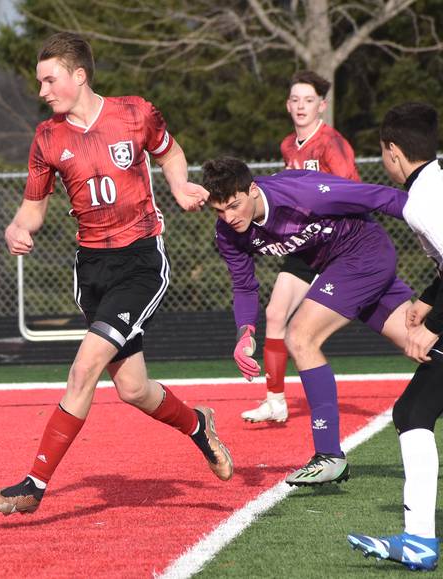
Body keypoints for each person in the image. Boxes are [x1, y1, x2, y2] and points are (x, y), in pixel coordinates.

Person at [0, 32, 233, 516]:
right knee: (134, 389)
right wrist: (17, 227)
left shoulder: (135, 113)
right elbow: (33, 208)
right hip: (91, 268)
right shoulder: (47, 138)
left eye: (49, 80)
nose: (43, 91)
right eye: (40, 82)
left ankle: (33, 485)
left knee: (83, 369)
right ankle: (199, 425)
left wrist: (179, 186)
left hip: (140, 260)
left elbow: (170, 152)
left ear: (78, 76)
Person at [202, 157, 413, 486]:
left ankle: (329, 456)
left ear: (253, 191)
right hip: (336, 267)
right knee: (419, 341)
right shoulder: (228, 233)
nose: (228, 217)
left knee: (300, 336)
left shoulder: (305, 195)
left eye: (234, 205)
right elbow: (244, 285)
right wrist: (245, 333)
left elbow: (383, 197)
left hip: (364, 252)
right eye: (219, 210)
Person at [347, 103, 442, 571]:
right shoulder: (434, 181)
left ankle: (421, 541)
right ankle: (420, 541)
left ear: (393, 153)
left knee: (413, 411)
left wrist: (433, 328)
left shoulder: (422, 200)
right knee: (414, 410)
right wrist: (428, 299)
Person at [242, 70, 361, 424]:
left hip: (338, 243)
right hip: (307, 245)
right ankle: (275, 400)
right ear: (287, 105)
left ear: (322, 106)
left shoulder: (331, 143)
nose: (300, 106)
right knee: (275, 314)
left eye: (308, 100)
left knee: (379, 318)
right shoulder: (286, 146)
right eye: (295, 100)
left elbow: (348, 191)